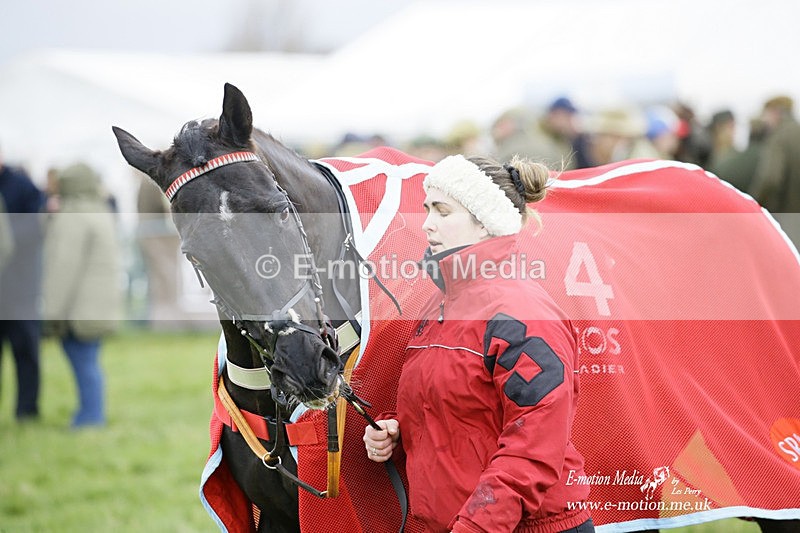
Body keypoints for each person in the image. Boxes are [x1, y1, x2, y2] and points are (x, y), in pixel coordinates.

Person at [363, 154, 593, 532]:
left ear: (485, 222)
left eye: (443, 211)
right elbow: (459, 410)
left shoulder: (522, 313)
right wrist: (398, 429)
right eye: (427, 209)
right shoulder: (438, 305)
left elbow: (534, 445)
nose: (427, 224)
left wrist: (476, 526)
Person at [42, 162, 122, 427]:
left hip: (78, 309)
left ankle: (90, 418)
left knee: (84, 362)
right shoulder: (100, 210)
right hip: (98, 305)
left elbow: (62, 269)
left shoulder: (73, 216)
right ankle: (90, 414)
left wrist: (51, 314)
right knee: (89, 362)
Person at [0, 146, 45, 421]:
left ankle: (27, 412)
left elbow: (37, 226)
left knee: (26, 353)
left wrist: (6, 235)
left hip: (20, 287)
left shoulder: (22, 185)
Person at [748, 95, 800, 248]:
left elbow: (770, 179)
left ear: (775, 113)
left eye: (765, 115)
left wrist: (753, 204)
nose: (764, 121)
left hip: (787, 223)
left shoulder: (779, 137)